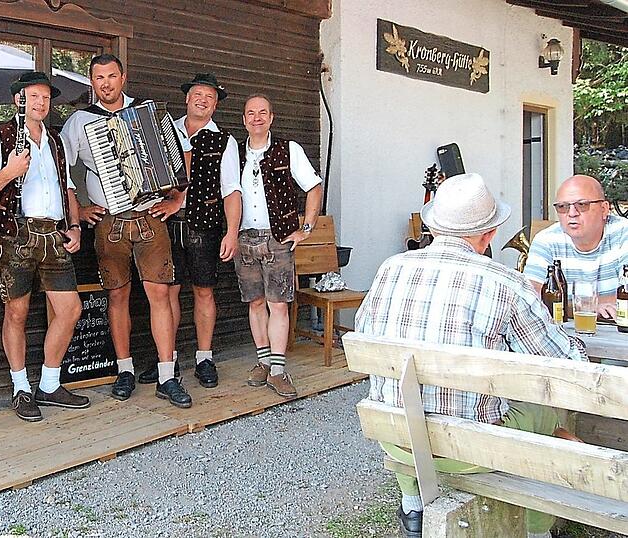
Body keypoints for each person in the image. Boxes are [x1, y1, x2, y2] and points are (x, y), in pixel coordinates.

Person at [355, 173, 586, 538]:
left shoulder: (389, 269)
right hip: (470, 451)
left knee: (406, 396)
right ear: (489, 234)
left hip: (395, 438)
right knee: (543, 411)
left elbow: (366, 332)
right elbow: (564, 368)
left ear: (432, 226)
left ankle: (413, 505)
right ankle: (538, 530)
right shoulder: (505, 283)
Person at [60, 54, 190, 408]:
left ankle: (167, 375)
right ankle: (125, 370)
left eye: (111, 76)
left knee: (159, 295)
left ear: (123, 77)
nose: (105, 83)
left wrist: (177, 199)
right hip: (108, 222)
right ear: (91, 82)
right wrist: (81, 209)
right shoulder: (79, 122)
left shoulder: (149, 113)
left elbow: (180, 158)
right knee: (117, 296)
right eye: (99, 77)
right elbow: (62, 170)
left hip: (149, 215)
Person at [0, 71, 88, 421]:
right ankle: (21, 387)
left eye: (45, 97)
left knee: (71, 310)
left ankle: (49, 383)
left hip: (54, 235)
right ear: (17, 100)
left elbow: (67, 187)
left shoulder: (56, 141)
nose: (40, 102)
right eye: (32, 96)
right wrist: (9, 172)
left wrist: (76, 225)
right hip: (15, 235)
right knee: (16, 313)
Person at [141, 73, 241, 389]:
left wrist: (232, 232)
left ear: (215, 104)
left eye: (209, 96)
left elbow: (232, 191)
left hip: (205, 224)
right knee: (167, 292)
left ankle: (204, 357)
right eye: (198, 94)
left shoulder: (225, 141)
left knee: (204, 290)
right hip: (164, 224)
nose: (203, 100)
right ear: (187, 98)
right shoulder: (163, 131)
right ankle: (166, 360)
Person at [236, 94, 322, 398]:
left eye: (262, 113)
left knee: (278, 304)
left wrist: (305, 229)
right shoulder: (235, 154)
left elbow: (313, 187)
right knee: (255, 302)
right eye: (251, 113)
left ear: (271, 118)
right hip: (245, 238)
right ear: (244, 120)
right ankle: (263, 362)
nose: (256, 118)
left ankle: (277, 370)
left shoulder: (289, 149)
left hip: (278, 237)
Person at [524, 174, 628, 319]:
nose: (572, 213)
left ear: (604, 209)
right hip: (564, 334)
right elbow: (529, 297)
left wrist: (567, 305)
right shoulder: (546, 239)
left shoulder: (624, 233)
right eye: (562, 207)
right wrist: (590, 307)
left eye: (582, 205)